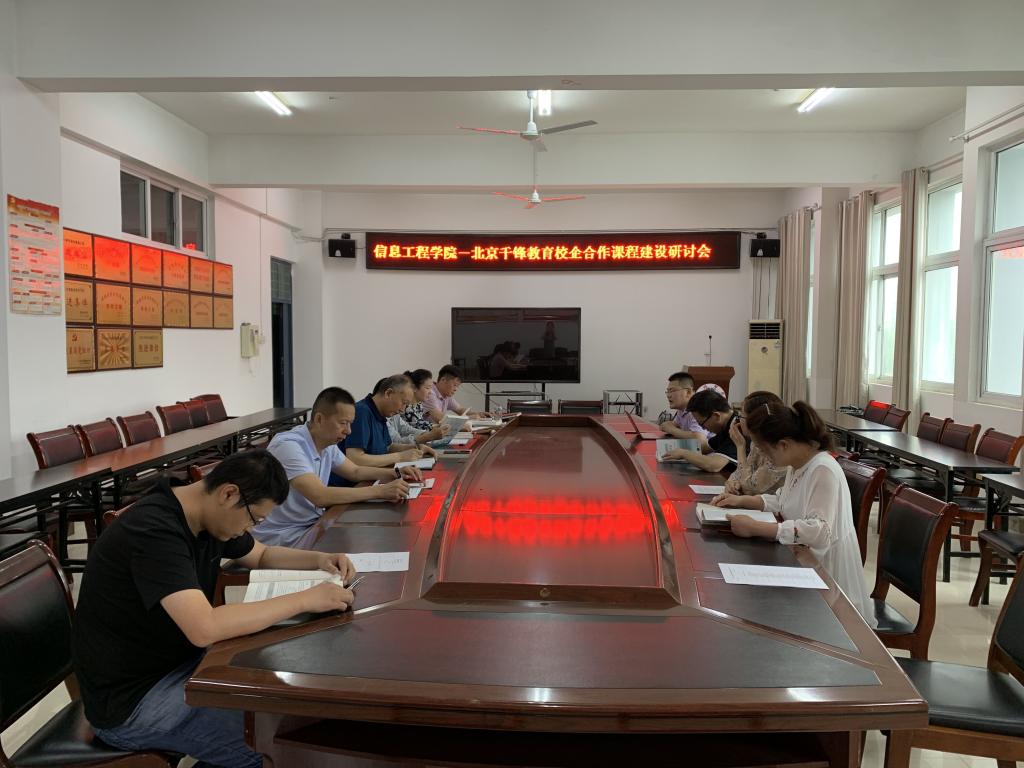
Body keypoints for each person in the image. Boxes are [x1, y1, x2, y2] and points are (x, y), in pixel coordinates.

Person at [72, 450, 358, 768]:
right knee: (280, 746)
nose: (249, 529)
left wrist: (319, 559)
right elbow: (204, 627)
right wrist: (305, 599)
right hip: (132, 701)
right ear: (228, 493)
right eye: (254, 519)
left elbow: (261, 555)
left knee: (283, 711)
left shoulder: (204, 514)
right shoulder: (155, 530)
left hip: (182, 666)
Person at [710, 401, 874, 625]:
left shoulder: (822, 469)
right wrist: (743, 501)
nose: (766, 458)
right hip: (803, 561)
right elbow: (784, 501)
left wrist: (757, 527)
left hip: (828, 577)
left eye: (766, 451)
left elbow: (819, 531)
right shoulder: (797, 464)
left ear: (784, 445)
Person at [254, 386, 421, 546]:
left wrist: (395, 473)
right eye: (343, 423)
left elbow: (355, 471)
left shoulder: (327, 443)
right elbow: (320, 496)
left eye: (350, 424)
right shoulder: (289, 446)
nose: (348, 431)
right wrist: (380, 491)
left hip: (310, 525)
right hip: (283, 535)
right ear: (319, 419)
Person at [329, 374, 429, 488]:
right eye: (403, 402)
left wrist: (416, 448)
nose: (402, 410)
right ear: (388, 393)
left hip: (373, 478)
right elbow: (355, 458)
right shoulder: (362, 412)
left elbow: (388, 447)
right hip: (351, 486)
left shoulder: (380, 414)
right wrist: (400, 457)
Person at [722, 390, 788, 496]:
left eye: (741, 416)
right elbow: (737, 476)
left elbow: (750, 488)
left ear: (755, 420)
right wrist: (732, 484)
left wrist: (740, 447)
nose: (738, 421)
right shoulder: (756, 444)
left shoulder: (779, 450)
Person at [661, 388, 738, 472]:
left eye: (702, 424)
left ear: (716, 416)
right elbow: (705, 448)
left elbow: (713, 465)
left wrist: (683, 453)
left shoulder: (737, 428)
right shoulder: (726, 426)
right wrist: (671, 449)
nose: (703, 428)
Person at [658, 371, 713, 442]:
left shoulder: (698, 408)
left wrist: (671, 429)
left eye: (672, 391)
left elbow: (699, 439)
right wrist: (669, 427)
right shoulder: (682, 409)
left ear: (688, 392)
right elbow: (673, 425)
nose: (668, 395)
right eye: (668, 391)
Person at [423, 364, 489, 420]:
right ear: (443, 380)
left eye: (457, 386)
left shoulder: (446, 395)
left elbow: (460, 410)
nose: (456, 389)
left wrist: (479, 414)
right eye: (454, 385)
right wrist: (469, 418)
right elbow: (440, 418)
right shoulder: (430, 393)